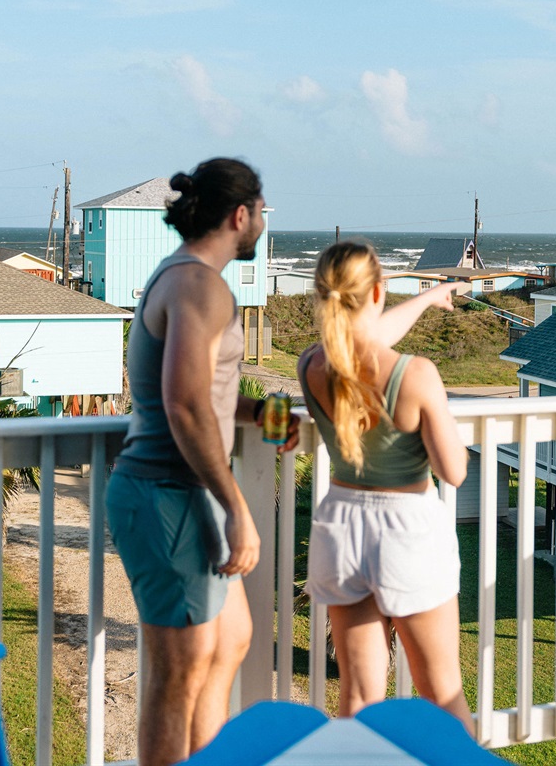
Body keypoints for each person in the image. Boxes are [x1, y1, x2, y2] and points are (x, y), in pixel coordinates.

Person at [105, 157, 298, 766]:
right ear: (241, 215)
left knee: (231, 640)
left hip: (183, 496)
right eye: (262, 212)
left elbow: (206, 391)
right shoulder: (198, 286)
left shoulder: (186, 277)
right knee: (177, 678)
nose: (263, 222)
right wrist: (238, 507)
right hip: (167, 494)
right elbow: (184, 405)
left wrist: (264, 414)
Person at [297, 239, 473, 731]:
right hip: (407, 532)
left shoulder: (311, 367)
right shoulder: (416, 374)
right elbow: (454, 470)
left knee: (357, 698)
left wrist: (424, 300)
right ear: (376, 293)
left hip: (340, 528)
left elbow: (359, 344)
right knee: (441, 692)